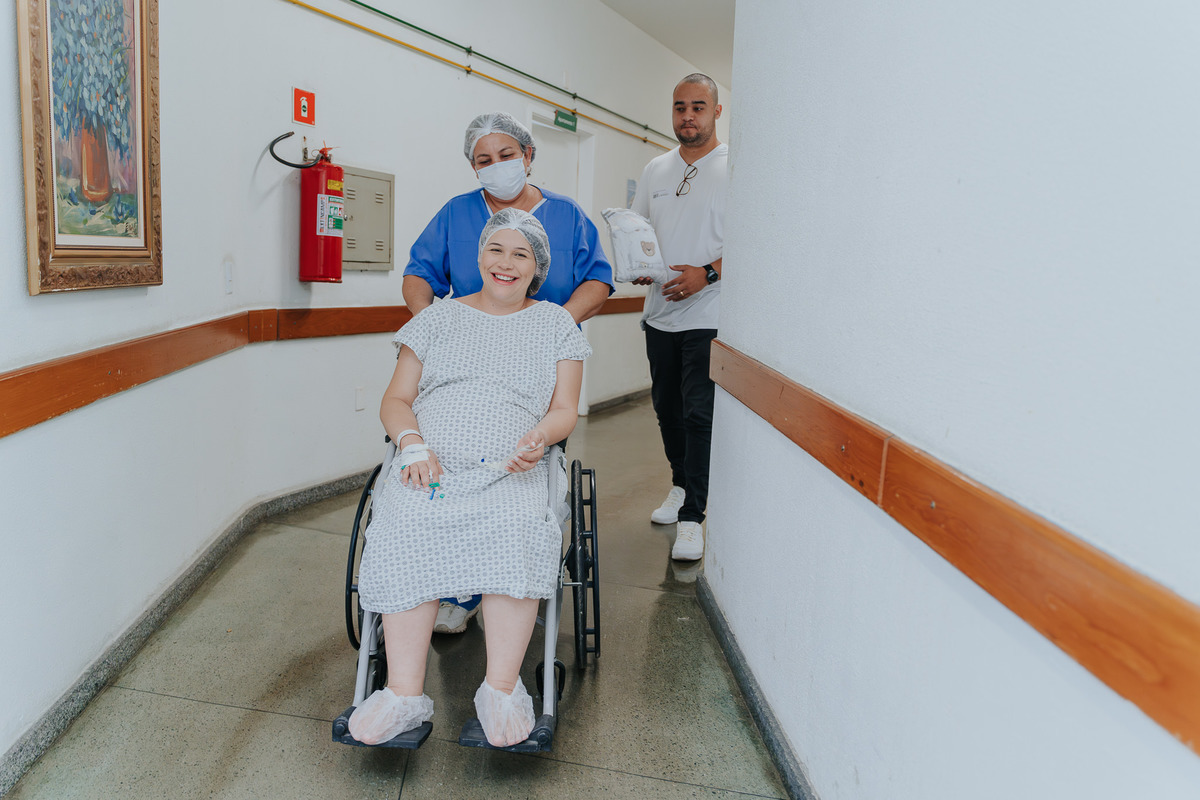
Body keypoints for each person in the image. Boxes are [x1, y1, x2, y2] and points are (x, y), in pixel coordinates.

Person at [348, 209, 592, 748]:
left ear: (537, 267)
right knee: (403, 523)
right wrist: (412, 443)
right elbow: (396, 399)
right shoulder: (436, 318)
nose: (506, 263)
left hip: (512, 468)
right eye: (496, 250)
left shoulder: (557, 324)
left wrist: (540, 437)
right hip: (429, 465)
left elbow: (564, 409)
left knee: (516, 526)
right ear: (479, 256)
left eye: (520, 254)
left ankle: (501, 691)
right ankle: (403, 694)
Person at [403, 112, 613, 635]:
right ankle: (457, 587)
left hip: (535, 371)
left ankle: (512, 577)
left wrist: (551, 326)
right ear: (472, 166)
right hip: (465, 364)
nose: (496, 166)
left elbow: (598, 280)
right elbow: (418, 275)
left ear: (528, 154)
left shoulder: (566, 216)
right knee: (440, 482)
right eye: (484, 160)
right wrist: (437, 330)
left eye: (506, 155)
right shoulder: (456, 214)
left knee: (520, 483)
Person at [631, 74, 728, 562]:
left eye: (698, 107)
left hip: (709, 313)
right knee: (667, 409)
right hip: (660, 313)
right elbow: (638, 229)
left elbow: (756, 242)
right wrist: (637, 264)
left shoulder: (735, 166)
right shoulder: (656, 169)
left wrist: (706, 274)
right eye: (680, 107)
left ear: (716, 112)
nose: (688, 116)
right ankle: (679, 483)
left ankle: (693, 517)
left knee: (698, 414)